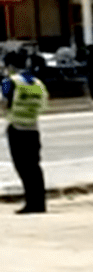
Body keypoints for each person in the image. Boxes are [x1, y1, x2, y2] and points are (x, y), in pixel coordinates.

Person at [2, 48, 49, 214]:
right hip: (33, 128)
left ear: (10, 66)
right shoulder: (37, 83)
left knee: (23, 168)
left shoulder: (10, 82)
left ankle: (31, 203)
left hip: (17, 128)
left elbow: (3, 101)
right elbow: (44, 103)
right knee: (34, 167)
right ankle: (40, 203)